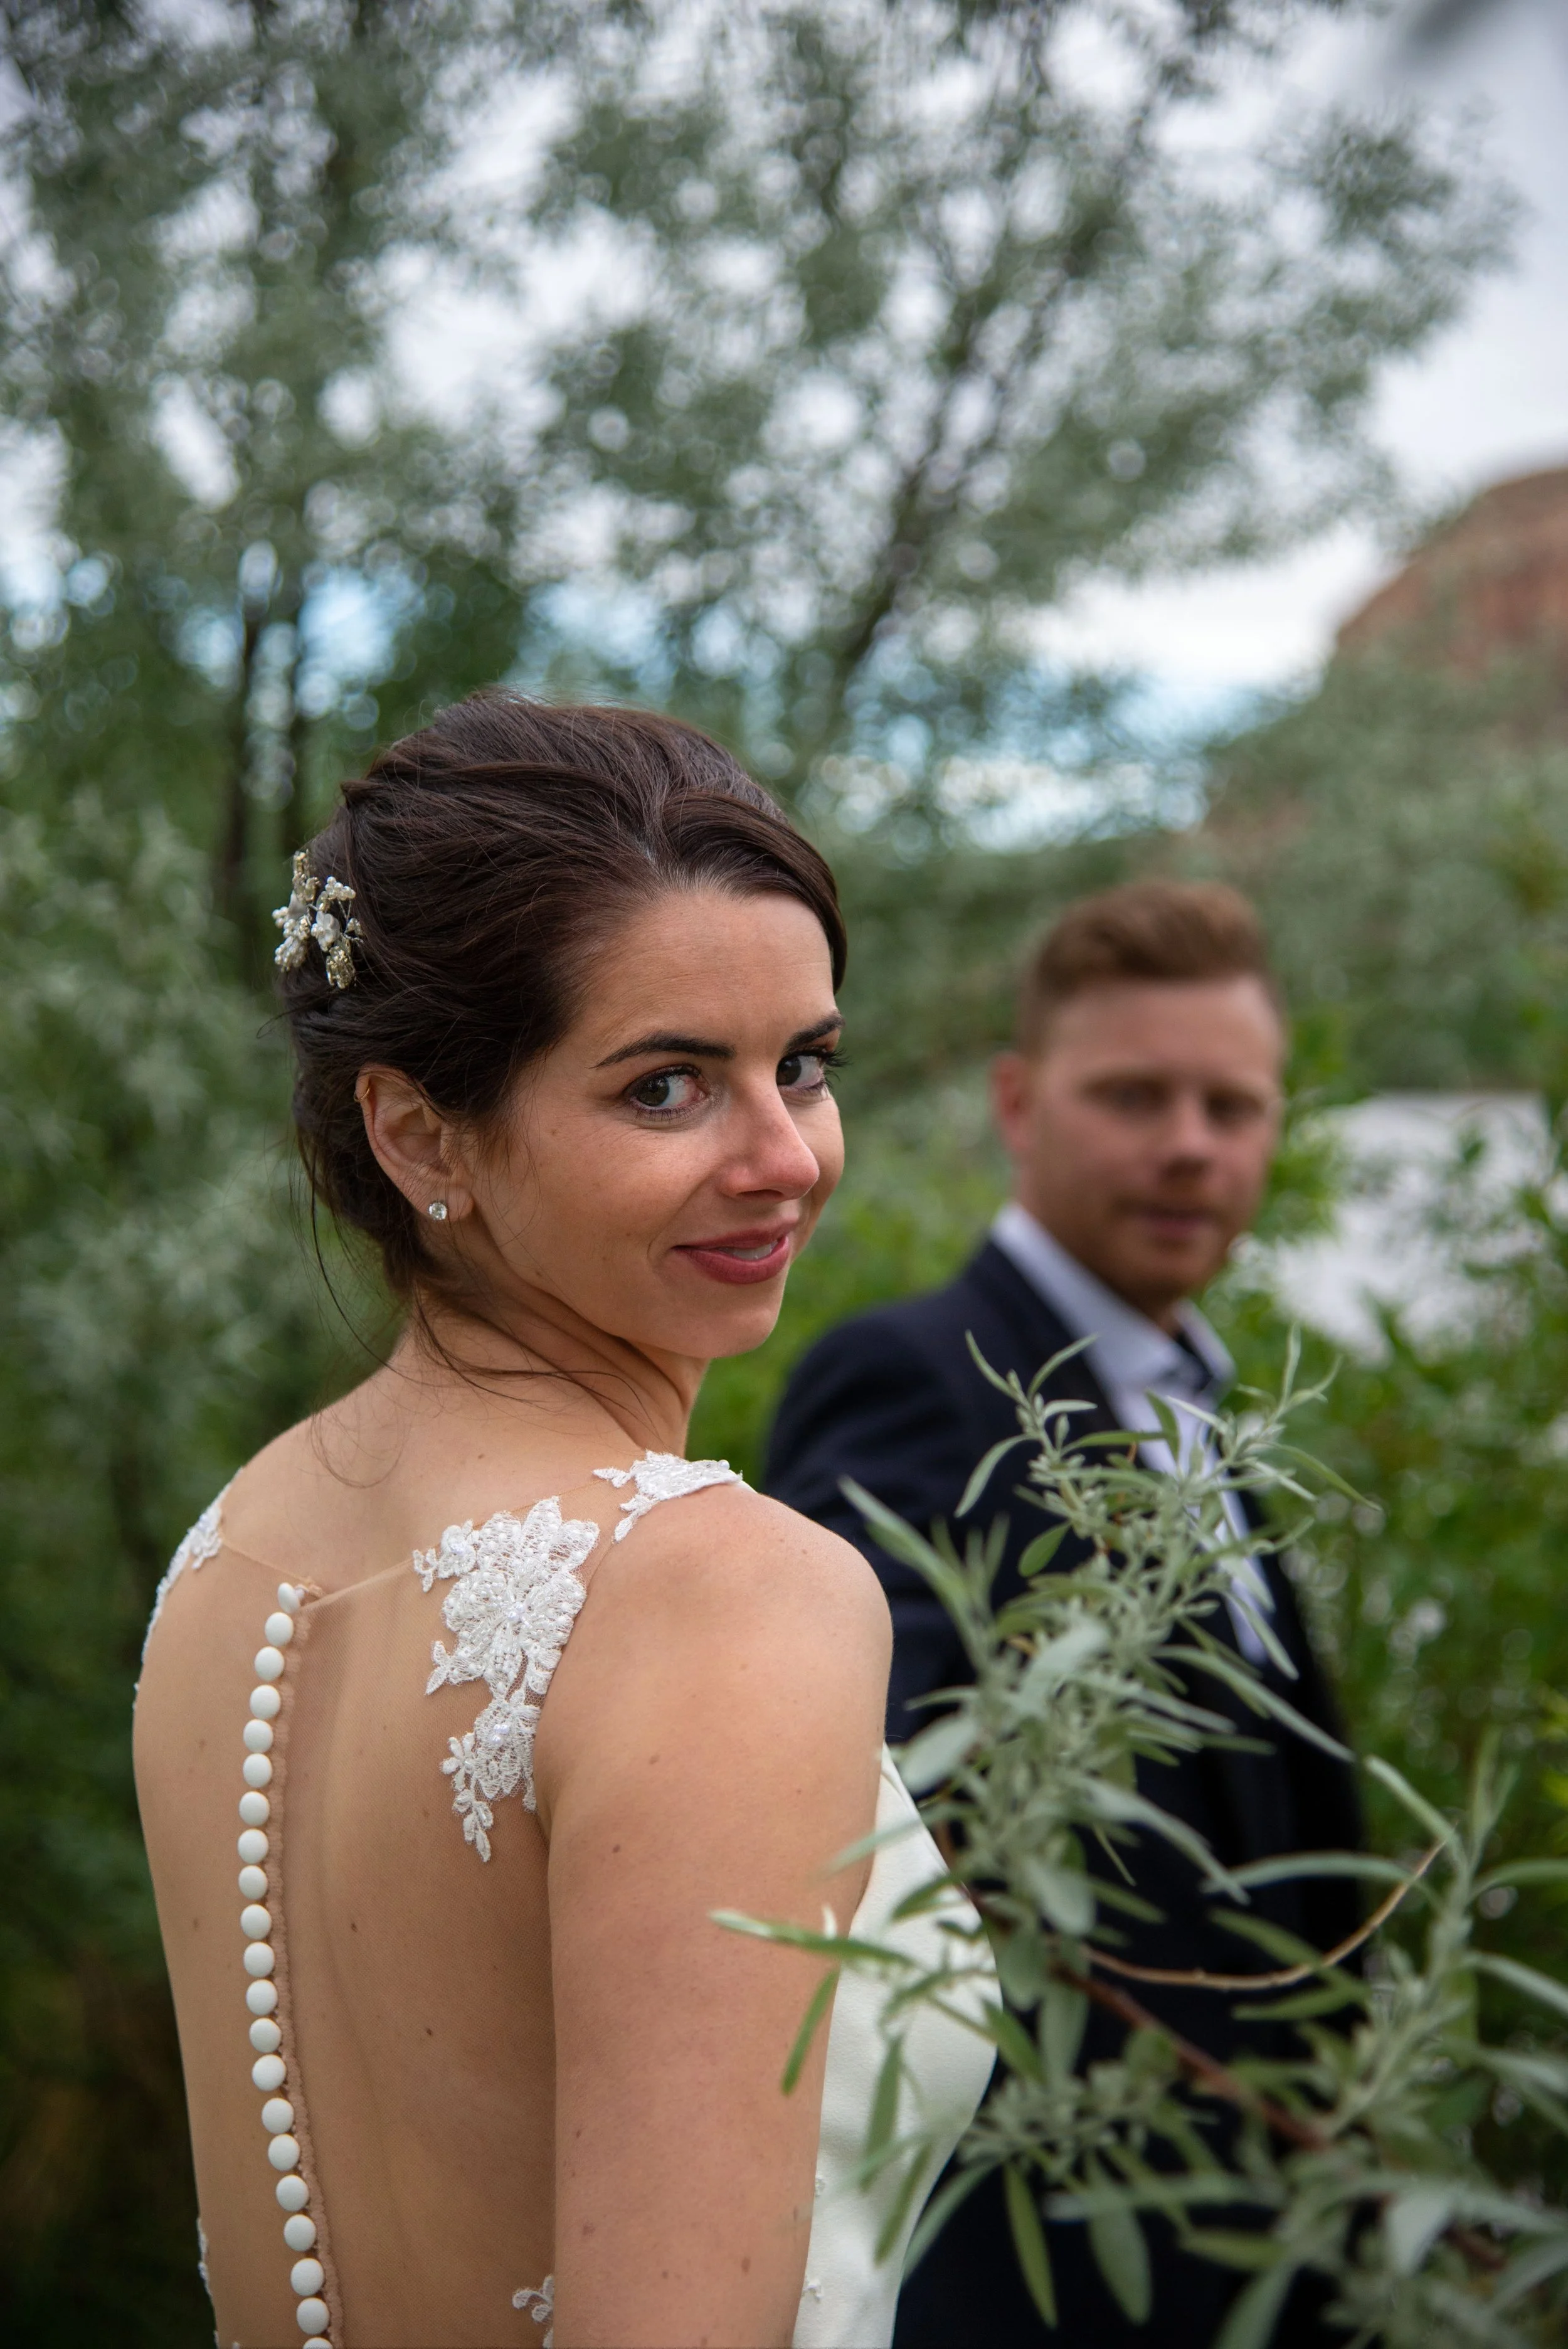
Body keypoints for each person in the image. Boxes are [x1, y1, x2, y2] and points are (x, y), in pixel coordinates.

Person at [134, 693, 995, 2349]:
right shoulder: (719, 1594)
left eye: (802, 1066)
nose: (784, 1158)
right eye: (666, 1088)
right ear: (418, 1132)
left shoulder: (228, 1558)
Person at [765, 880, 1363, 2349]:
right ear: (1018, 1104)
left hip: (1274, 2252)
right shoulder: (909, 1379)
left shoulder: (1208, 1410)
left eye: (1232, 1107)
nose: (1187, 1145)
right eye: (1133, 1095)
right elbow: (890, 1791)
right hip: (1053, 2262)